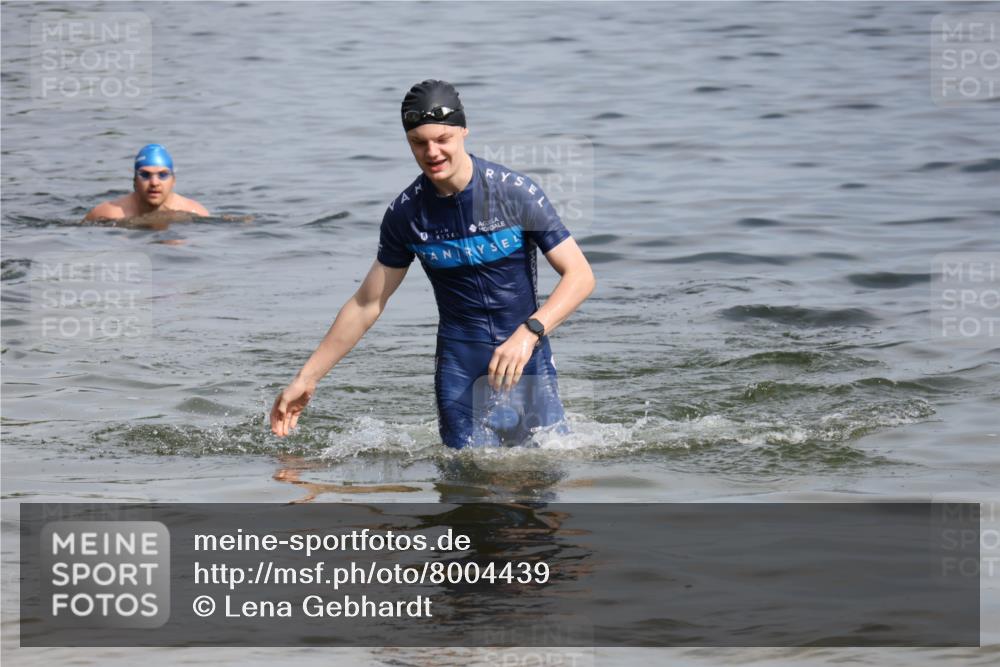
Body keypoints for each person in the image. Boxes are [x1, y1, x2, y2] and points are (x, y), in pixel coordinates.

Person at [271, 80, 595, 449]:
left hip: (527, 361)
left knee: (544, 473)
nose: (432, 152)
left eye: (443, 139)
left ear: (463, 130)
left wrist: (529, 333)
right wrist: (307, 377)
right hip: (459, 369)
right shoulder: (406, 214)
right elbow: (366, 304)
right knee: (468, 479)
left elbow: (580, 276)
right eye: (419, 142)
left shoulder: (514, 193)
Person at [83, 144, 209, 222]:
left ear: (173, 181)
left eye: (163, 175)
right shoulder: (109, 214)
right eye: (145, 175)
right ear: (135, 180)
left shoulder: (196, 213)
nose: (154, 183)